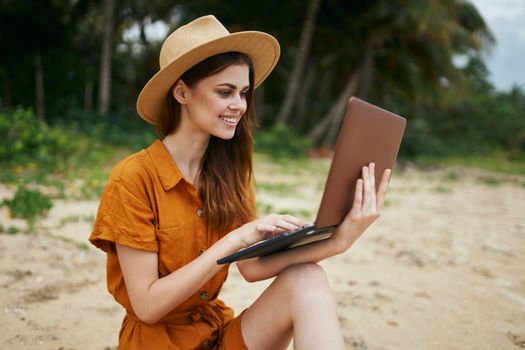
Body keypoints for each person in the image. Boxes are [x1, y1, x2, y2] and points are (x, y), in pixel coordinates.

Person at [89, 15, 391, 350]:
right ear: (181, 92)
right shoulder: (134, 178)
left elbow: (251, 266)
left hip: (216, 336)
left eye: (244, 93)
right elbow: (147, 306)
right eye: (225, 92)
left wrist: (339, 241)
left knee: (307, 278)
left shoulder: (227, 172)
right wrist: (235, 239)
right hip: (156, 343)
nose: (239, 105)